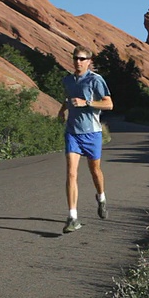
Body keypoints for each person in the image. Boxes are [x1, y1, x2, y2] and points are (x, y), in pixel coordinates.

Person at [58, 45, 113, 234]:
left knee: (95, 171)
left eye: (82, 59)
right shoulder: (68, 80)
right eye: (75, 58)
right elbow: (68, 98)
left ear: (89, 62)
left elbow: (109, 104)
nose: (78, 62)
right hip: (72, 132)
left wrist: (86, 103)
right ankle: (72, 217)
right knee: (71, 174)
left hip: (92, 133)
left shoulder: (96, 80)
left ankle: (101, 197)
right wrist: (62, 110)